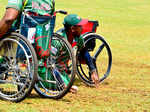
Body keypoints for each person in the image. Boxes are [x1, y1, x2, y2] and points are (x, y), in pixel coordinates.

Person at [57, 14, 99, 87]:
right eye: (80, 26)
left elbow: (84, 52)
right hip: (50, 71)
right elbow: (49, 63)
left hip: (62, 70)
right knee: (65, 87)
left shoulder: (78, 38)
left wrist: (93, 71)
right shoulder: (58, 40)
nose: (82, 28)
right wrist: (61, 83)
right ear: (73, 28)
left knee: (70, 87)